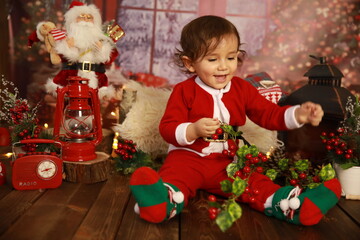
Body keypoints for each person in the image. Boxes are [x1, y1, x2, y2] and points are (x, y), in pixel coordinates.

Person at [129, 15, 341, 226]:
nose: (223, 67)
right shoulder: (184, 91)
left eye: (230, 58)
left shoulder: (241, 89)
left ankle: (293, 205)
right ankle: (161, 203)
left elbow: (268, 114)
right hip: (187, 158)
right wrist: (192, 130)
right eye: (213, 59)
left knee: (253, 182)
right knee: (175, 179)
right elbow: (167, 128)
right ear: (190, 63)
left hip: (225, 162)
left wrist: (297, 114)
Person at [38, 1, 119, 98]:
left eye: (89, 18)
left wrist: (102, 48)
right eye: (81, 16)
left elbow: (108, 59)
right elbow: (62, 58)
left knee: (93, 104)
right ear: (73, 20)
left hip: (96, 78)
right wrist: (68, 47)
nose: (85, 19)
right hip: (72, 77)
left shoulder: (100, 40)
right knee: (70, 104)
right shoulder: (67, 38)